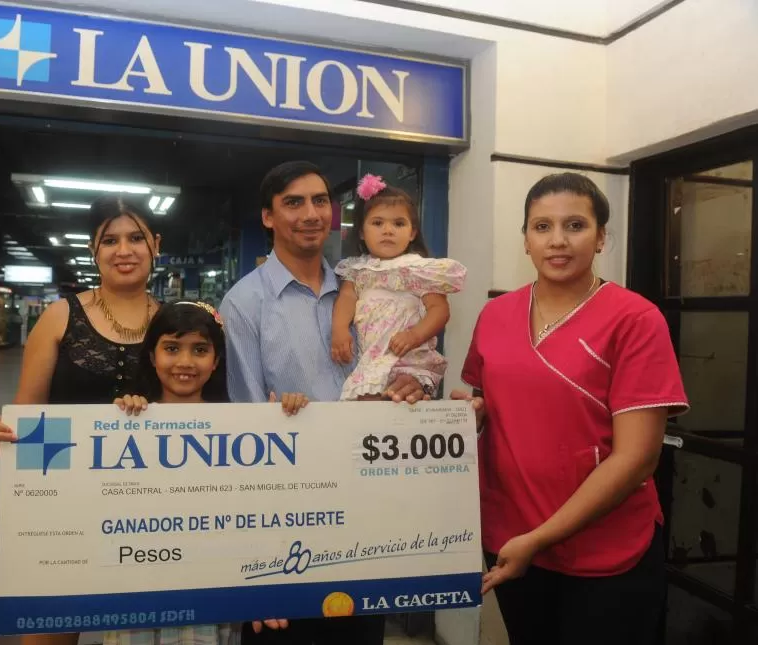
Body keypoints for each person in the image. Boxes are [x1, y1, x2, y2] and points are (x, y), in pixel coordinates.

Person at [451, 173, 689, 645]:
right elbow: (488, 404)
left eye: (575, 225)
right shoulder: (496, 315)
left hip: (606, 548)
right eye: (541, 227)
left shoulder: (635, 319)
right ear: (525, 239)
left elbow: (637, 457)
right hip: (511, 532)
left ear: (601, 236)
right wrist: (469, 415)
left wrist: (538, 539)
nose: (557, 241)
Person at [220, 160, 431, 645]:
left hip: (368, 509)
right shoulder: (245, 303)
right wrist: (258, 560)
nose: (311, 213)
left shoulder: (370, 286)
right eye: (293, 202)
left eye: (320, 201)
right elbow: (246, 427)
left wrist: (412, 389)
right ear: (268, 217)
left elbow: (403, 365)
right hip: (288, 521)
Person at [0, 195, 162, 645]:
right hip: (65, 507)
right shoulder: (60, 317)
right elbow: (27, 414)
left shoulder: (175, 323)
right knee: (52, 631)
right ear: (93, 250)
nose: (125, 250)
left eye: (136, 237)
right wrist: (4, 433)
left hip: (151, 512)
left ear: (156, 244)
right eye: (111, 240)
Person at [110, 300, 308, 645]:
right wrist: (118, 421)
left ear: (216, 361)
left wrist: (288, 417)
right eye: (171, 348)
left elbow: (262, 511)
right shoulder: (126, 420)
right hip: (140, 591)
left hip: (215, 591)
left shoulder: (245, 427)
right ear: (151, 356)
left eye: (199, 350)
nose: (185, 362)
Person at [330, 173, 466, 400]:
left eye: (398, 223)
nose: (388, 230)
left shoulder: (419, 269)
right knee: (367, 401)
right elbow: (346, 299)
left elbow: (440, 310)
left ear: (412, 232)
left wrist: (415, 335)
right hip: (372, 356)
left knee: (402, 403)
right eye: (378, 223)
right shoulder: (357, 271)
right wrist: (339, 330)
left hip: (408, 356)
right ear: (362, 232)